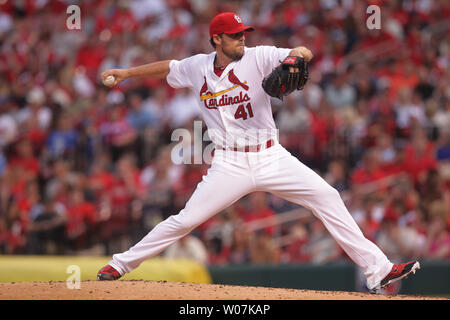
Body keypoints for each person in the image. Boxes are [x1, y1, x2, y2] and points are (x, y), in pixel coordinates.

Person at [97, 12, 420, 292]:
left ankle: (378, 270)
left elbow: (302, 51)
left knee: (327, 196)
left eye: (243, 34)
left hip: (271, 156)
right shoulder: (197, 67)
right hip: (229, 162)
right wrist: (126, 73)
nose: (241, 39)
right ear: (217, 39)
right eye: (235, 36)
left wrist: (295, 59)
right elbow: (169, 66)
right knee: (185, 221)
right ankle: (120, 265)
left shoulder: (258, 56)